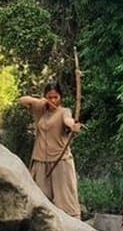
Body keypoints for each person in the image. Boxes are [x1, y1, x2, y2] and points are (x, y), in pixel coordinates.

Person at [19, 83, 83, 219]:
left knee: (66, 199)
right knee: (41, 199)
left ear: (60, 97)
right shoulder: (40, 110)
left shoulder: (63, 111)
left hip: (61, 160)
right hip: (40, 160)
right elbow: (22, 100)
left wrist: (73, 125)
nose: (53, 100)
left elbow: (68, 120)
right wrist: (39, 101)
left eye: (56, 97)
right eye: (50, 97)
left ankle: (75, 228)